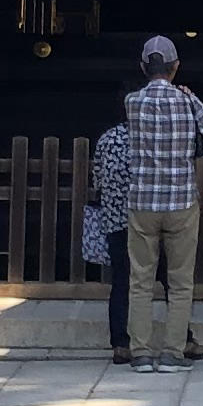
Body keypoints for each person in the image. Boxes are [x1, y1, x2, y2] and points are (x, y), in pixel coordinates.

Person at [121, 34, 203, 370]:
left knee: (140, 280)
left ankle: (140, 352)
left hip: (142, 200)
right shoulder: (188, 102)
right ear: (176, 68)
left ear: (143, 67)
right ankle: (172, 352)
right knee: (180, 280)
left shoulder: (131, 102)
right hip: (181, 201)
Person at [84, 116, 134, 358]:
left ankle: (120, 343)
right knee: (168, 279)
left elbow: (98, 179)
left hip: (114, 219)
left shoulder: (107, 138)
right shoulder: (150, 139)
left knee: (121, 281)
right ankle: (181, 337)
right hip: (145, 218)